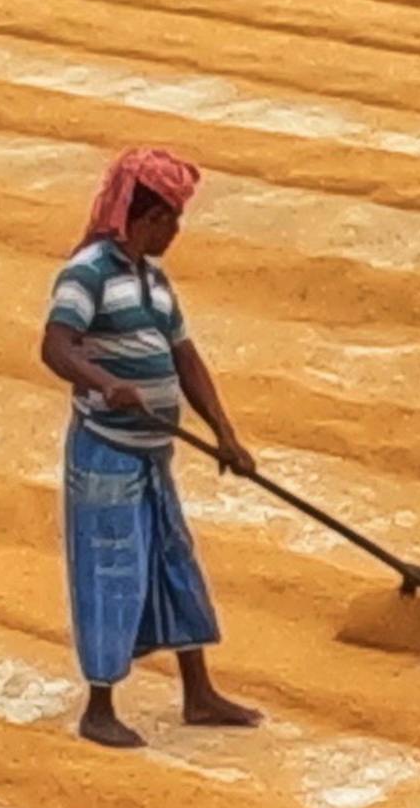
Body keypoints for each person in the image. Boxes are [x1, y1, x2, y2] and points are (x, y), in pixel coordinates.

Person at [39, 148, 262, 749]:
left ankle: (199, 694)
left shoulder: (155, 282)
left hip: (153, 455)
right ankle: (100, 708)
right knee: (111, 570)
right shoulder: (87, 273)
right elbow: (56, 346)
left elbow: (185, 357)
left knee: (173, 562)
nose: (176, 231)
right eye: (172, 219)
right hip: (106, 455)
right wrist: (105, 383)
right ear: (148, 218)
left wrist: (224, 434)